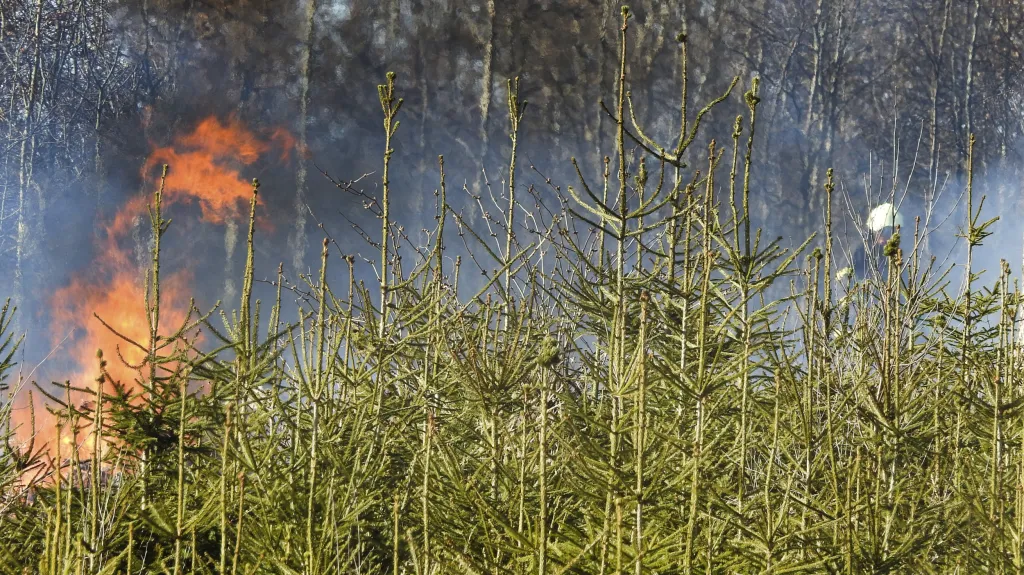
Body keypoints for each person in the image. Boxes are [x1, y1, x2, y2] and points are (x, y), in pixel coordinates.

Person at [852, 202, 904, 281]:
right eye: (885, 231)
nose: (889, 237)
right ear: (874, 231)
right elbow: (854, 279)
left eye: (893, 232)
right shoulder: (862, 253)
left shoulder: (897, 256)